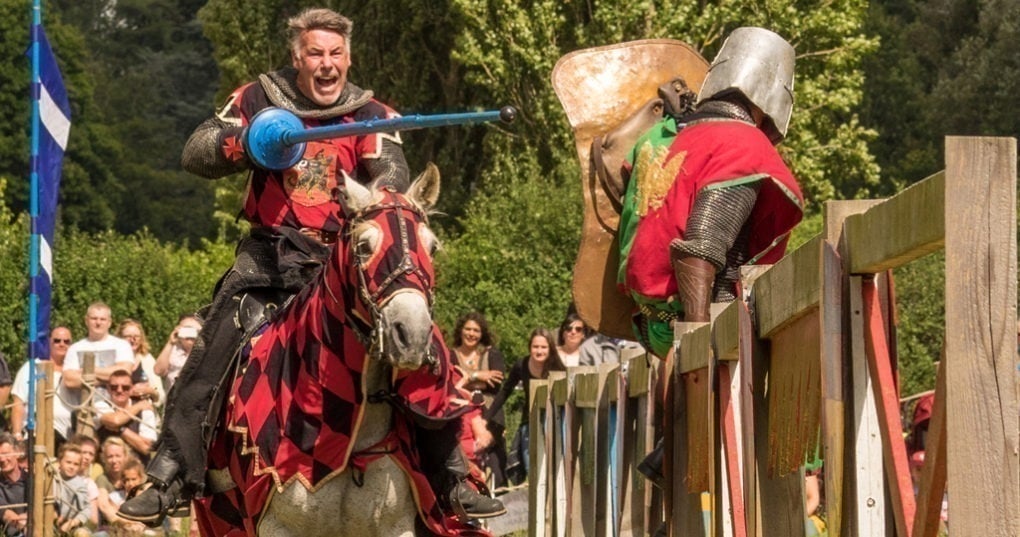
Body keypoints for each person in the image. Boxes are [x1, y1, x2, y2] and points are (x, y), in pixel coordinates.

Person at [120, 7, 502, 524]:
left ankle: (452, 474)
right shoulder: (258, 98)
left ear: (349, 57)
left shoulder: (373, 112)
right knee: (219, 339)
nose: (327, 65)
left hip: (345, 259)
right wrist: (247, 144)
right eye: (316, 54)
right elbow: (196, 151)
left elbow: (390, 174)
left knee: (419, 334)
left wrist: (381, 192)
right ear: (297, 58)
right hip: (272, 257)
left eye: (336, 54)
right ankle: (171, 473)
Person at [616, 27, 804, 484]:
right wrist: (697, 343)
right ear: (771, 95)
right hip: (691, 315)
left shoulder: (659, 141)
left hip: (647, 319)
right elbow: (699, 249)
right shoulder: (740, 145)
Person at [482, 328, 565, 482]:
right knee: (532, 470)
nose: (539, 351)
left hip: (554, 423)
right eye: (535, 347)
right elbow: (505, 391)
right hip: (530, 422)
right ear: (530, 347)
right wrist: (487, 417)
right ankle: (536, 504)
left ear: (550, 349)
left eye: (543, 347)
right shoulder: (522, 365)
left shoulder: (557, 367)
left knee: (553, 470)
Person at [449, 312, 508, 488]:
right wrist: (479, 375)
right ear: (461, 330)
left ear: (482, 334)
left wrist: (465, 379)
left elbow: (497, 381)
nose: (471, 334)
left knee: (496, 469)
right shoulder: (451, 355)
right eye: (468, 329)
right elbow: (451, 382)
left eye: (476, 330)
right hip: (461, 417)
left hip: (490, 415)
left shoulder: (491, 354)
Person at [11, 327, 79, 445]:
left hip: (67, 437)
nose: (62, 344)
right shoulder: (32, 367)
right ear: (49, 342)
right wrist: (17, 433)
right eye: (57, 340)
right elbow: (18, 402)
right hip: (37, 434)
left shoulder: (75, 370)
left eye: (66, 341)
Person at [62, 303, 135, 390]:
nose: (98, 322)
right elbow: (69, 381)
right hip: (83, 403)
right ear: (86, 321)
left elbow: (124, 373)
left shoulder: (122, 345)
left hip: (114, 403)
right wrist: (109, 377)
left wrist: (85, 371)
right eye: (94, 318)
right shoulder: (75, 348)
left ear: (109, 322)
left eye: (103, 319)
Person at [94, 370, 160, 461]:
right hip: (109, 466)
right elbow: (115, 420)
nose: (119, 390)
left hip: (138, 465)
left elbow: (147, 448)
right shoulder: (100, 405)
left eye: (125, 387)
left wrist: (121, 430)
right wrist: (138, 406)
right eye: (114, 387)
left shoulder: (145, 410)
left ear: (131, 389)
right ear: (108, 389)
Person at [115, 320, 164, 408]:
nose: (133, 340)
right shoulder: (113, 359)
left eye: (136, 336)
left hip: (144, 413)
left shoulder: (147, 359)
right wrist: (130, 391)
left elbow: (160, 396)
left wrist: (149, 391)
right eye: (128, 336)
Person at [152, 315, 201, 393]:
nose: (190, 334)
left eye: (194, 330)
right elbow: (158, 371)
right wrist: (170, 342)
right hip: (173, 401)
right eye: (186, 329)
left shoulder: (205, 353)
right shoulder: (172, 350)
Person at [53, 443, 93, 536]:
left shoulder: (80, 484)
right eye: (68, 462)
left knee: (82, 534)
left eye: (76, 464)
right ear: (59, 461)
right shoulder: (53, 478)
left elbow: (87, 509)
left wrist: (74, 522)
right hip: (51, 521)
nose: (72, 466)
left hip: (71, 524)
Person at [0, 434, 26, 537]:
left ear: (17, 453)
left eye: (6, 454)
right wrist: (22, 524)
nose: (2, 459)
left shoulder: (31, 480)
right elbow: (5, 513)